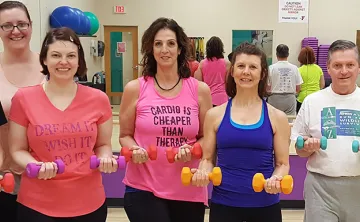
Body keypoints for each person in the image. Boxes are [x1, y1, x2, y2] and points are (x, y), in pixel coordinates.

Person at [8, 27, 116, 221]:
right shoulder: (23, 99)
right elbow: (17, 150)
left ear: (79, 60)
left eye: (71, 56)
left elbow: (103, 145)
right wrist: (36, 166)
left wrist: (106, 158)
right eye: (56, 55)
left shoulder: (98, 99)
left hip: (89, 202)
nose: (64, 62)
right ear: (44, 59)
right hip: (37, 205)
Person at [119, 17, 212, 222]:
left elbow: (207, 138)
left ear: (180, 49)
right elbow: (125, 136)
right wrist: (135, 149)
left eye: (171, 43)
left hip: (188, 187)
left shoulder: (200, 91)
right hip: (143, 187)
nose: (164, 49)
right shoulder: (135, 88)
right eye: (158, 44)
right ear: (151, 49)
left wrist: (193, 149)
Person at [193, 42, 291, 222]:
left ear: (262, 74)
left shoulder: (277, 117)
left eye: (253, 67)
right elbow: (207, 159)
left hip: (265, 205)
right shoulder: (214, 115)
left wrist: (276, 179)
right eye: (241, 66)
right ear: (232, 71)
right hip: (224, 205)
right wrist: (202, 173)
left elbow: (283, 163)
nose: (246, 71)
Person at [291, 40, 360, 222]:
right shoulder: (312, 101)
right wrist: (307, 147)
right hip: (320, 188)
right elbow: (299, 149)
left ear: (358, 67)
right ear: (328, 68)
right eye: (337, 65)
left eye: (350, 65)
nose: (344, 71)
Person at [0, 1, 46, 220]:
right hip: (4, 178)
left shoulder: (51, 66)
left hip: (47, 176)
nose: (15, 31)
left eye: (21, 24)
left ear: (31, 26)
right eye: (7, 25)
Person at [267, 44, 303, 116]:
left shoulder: (271, 68)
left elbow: (267, 88)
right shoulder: (294, 68)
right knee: (290, 121)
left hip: (274, 98)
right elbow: (298, 88)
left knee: (273, 120)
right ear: (288, 54)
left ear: (276, 54)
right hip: (290, 98)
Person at [194, 36, 230, 107]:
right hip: (223, 99)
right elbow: (229, 83)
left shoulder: (202, 63)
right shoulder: (227, 64)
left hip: (208, 99)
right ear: (221, 48)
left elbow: (198, 83)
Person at [296, 46, 325, 113]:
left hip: (302, 99)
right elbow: (322, 85)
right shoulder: (318, 68)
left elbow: (298, 88)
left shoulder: (299, 70)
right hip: (317, 98)